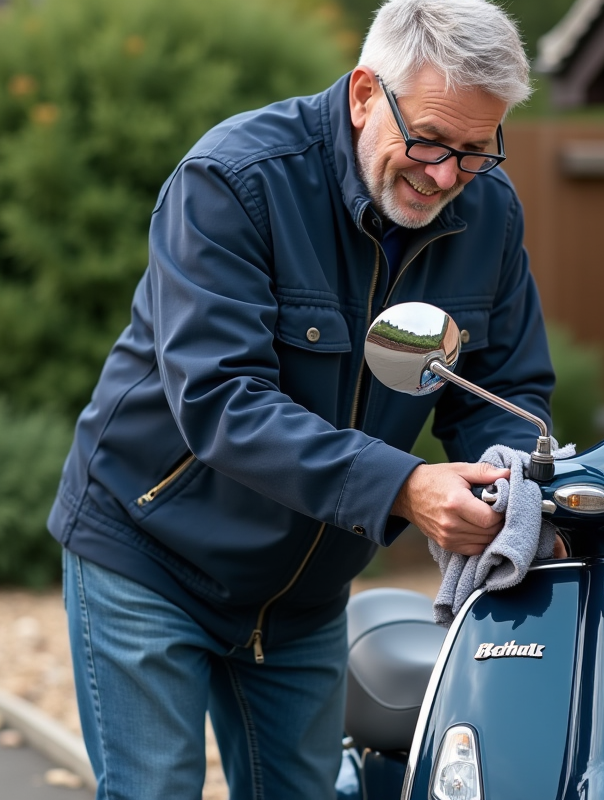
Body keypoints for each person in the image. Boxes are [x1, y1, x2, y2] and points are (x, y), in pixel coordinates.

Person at [48, 0, 553, 797]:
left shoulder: (489, 213)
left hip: (306, 592)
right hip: (152, 552)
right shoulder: (234, 180)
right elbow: (221, 400)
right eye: (426, 140)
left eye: (475, 150)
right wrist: (404, 486)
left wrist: (507, 468)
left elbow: (504, 387)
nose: (447, 175)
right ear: (362, 94)